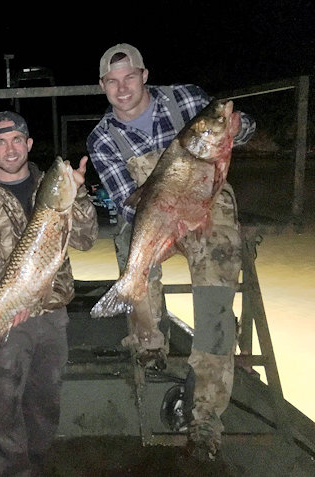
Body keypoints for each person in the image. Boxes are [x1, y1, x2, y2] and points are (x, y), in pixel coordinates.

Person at [86, 43, 256, 462]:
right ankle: (148, 343)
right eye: (112, 81)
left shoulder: (188, 99)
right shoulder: (102, 137)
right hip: (158, 215)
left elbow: (245, 130)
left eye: (129, 77)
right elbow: (131, 201)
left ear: (145, 74)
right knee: (132, 252)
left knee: (216, 297)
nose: (122, 88)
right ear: (103, 86)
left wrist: (235, 125)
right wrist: (166, 227)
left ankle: (205, 414)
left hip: (209, 208)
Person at [0, 111, 98, 476]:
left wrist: (77, 191)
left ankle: (38, 463)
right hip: (8, 320)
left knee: (45, 401)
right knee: (5, 405)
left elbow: (84, 239)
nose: (10, 148)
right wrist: (4, 309)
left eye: (17, 139)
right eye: (0, 142)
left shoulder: (54, 191)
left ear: (29, 144)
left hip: (52, 315)